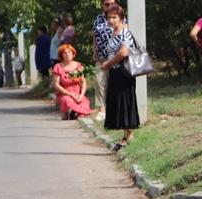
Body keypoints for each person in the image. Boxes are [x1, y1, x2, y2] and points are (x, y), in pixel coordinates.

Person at [100, 4, 139, 150]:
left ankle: (128, 135)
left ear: (121, 18)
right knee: (117, 101)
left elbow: (123, 53)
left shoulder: (124, 33)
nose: (111, 20)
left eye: (114, 17)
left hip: (124, 73)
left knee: (124, 101)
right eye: (109, 17)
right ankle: (126, 134)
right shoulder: (113, 32)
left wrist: (108, 63)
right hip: (115, 73)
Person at [92, 0, 122, 122]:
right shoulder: (98, 19)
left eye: (112, 3)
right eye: (106, 4)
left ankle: (114, 110)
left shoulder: (119, 17)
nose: (109, 6)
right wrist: (94, 51)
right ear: (102, 5)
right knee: (99, 81)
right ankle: (102, 110)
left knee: (114, 83)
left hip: (115, 57)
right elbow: (95, 35)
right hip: (101, 56)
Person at [52, 44, 92, 120]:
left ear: (73, 54)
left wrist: (81, 95)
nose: (67, 54)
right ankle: (66, 112)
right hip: (64, 93)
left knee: (84, 102)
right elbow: (56, 85)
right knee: (67, 100)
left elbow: (83, 82)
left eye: (69, 52)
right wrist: (70, 94)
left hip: (77, 93)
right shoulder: (57, 66)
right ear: (61, 55)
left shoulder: (78, 65)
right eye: (65, 53)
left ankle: (76, 112)